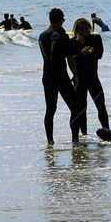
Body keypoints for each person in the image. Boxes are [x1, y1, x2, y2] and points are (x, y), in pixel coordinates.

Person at [39, 8, 83, 145]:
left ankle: (50, 141)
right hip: (60, 76)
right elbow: (69, 52)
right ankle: (75, 140)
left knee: (50, 110)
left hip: (47, 77)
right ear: (60, 20)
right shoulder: (60, 36)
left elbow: (59, 51)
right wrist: (78, 42)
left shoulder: (42, 35)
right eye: (63, 21)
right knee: (75, 107)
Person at [69, 18, 110, 135]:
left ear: (90, 28)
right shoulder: (73, 42)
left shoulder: (96, 38)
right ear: (76, 30)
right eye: (80, 29)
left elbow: (100, 55)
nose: (83, 31)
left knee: (101, 105)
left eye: (86, 28)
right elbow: (70, 59)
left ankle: (106, 131)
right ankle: (84, 135)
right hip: (80, 80)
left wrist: (93, 51)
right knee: (82, 109)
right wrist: (82, 53)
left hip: (93, 78)